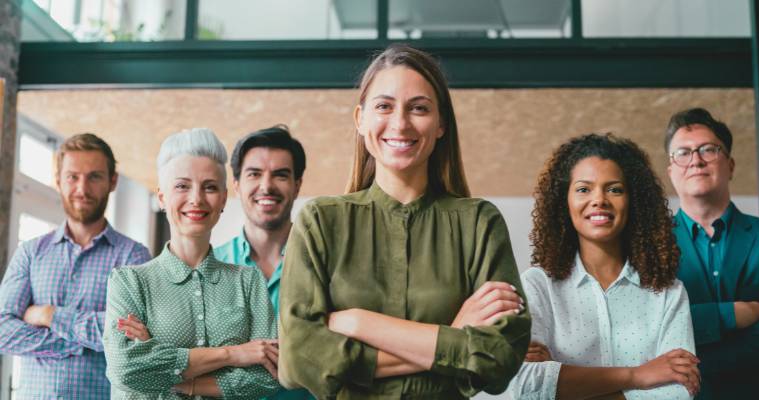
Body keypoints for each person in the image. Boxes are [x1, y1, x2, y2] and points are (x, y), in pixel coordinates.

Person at [278, 44, 531, 399]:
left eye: (419, 108)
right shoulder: (320, 222)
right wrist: (453, 334)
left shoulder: (478, 222)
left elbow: (501, 356)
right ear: (360, 119)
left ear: (441, 123)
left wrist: (360, 323)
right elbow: (298, 360)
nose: (400, 123)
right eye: (384, 106)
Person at [511, 133, 699, 399]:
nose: (599, 199)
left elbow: (679, 392)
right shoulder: (537, 285)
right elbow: (524, 388)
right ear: (564, 202)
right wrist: (639, 375)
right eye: (583, 189)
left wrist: (560, 380)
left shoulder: (668, 292)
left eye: (614, 189)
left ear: (634, 202)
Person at [103, 128, 281, 399]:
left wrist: (164, 365)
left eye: (209, 187)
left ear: (222, 199)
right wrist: (233, 354)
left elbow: (267, 377)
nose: (196, 198)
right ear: (162, 197)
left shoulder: (249, 281)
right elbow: (125, 369)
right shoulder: (129, 282)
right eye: (182, 186)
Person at [0, 133, 150, 399]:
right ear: (58, 181)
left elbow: (130, 335)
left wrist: (49, 316)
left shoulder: (133, 256)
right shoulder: (30, 254)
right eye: (73, 177)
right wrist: (84, 340)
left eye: (94, 176)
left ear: (112, 181)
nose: (82, 188)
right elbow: (3, 332)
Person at [664, 108, 759, 399]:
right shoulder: (648, 244)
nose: (696, 160)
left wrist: (690, 360)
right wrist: (732, 314)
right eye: (683, 153)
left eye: (708, 150)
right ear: (671, 171)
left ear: (731, 164)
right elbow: (647, 328)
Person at [214, 125, 313, 399]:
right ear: (236, 185)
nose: (266, 186)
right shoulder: (208, 265)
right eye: (254, 174)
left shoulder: (325, 264)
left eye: (280, 175)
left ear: (297, 185)